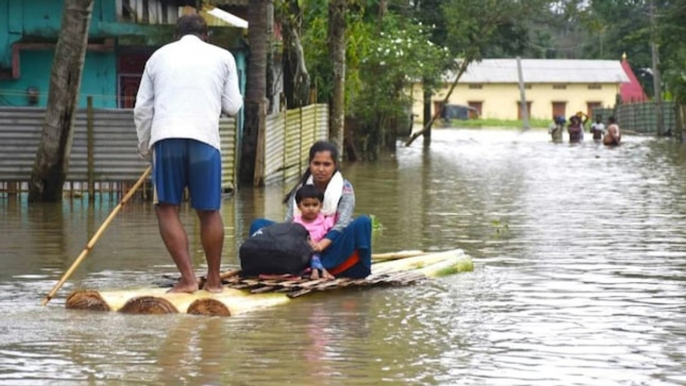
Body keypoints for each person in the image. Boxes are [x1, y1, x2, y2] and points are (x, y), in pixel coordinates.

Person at [134, 14, 243, 293]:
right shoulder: (223, 56)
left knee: (167, 208)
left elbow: (142, 110)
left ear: (176, 35)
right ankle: (215, 281)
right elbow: (232, 106)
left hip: (166, 138)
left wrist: (147, 148)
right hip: (205, 140)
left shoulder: (157, 57)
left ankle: (188, 279)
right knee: (209, 211)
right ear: (206, 35)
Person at [250, 141, 373, 279]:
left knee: (363, 222)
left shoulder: (345, 188)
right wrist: (306, 244)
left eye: (326, 164)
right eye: (316, 164)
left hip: (332, 245)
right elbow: (290, 222)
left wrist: (320, 245)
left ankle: (328, 266)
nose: (321, 169)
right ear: (310, 164)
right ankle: (288, 266)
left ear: (335, 166)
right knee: (259, 225)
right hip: (301, 246)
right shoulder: (300, 188)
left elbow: (342, 224)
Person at [292, 184, 335, 279]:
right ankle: (319, 270)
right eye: (306, 205)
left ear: (321, 206)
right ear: (299, 206)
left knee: (315, 252)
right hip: (303, 251)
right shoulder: (295, 222)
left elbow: (338, 225)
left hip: (321, 250)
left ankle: (317, 270)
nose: (311, 208)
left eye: (315, 205)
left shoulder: (324, 220)